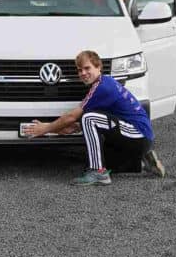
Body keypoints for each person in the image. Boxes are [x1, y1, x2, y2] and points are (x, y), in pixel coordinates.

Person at [21, 50, 165, 186]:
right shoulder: (105, 82)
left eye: (87, 68)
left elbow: (72, 116)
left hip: (138, 133)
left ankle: (98, 172)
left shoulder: (102, 88)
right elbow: (105, 119)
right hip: (137, 134)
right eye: (79, 70)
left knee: (88, 118)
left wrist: (45, 128)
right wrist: (75, 128)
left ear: (98, 67)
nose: (83, 73)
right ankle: (143, 159)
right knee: (90, 125)